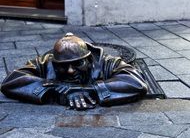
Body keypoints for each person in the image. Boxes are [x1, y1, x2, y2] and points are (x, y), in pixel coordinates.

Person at [0, 33, 148, 110]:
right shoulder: (46, 62)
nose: (70, 71)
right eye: (63, 66)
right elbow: (10, 81)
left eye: (78, 64)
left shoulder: (106, 61)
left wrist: (90, 89)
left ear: (89, 59)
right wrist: (54, 88)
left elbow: (136, 83)